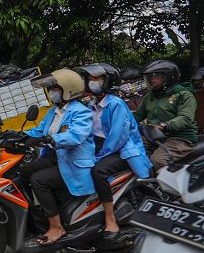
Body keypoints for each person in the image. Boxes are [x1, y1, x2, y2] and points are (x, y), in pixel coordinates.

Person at [19, 68, 95, 246]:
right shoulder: (54, 111)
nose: (51, 92)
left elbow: (76, 136)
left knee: (38, 180)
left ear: (68, 90)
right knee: (23, 171)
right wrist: (18, 135)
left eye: (55, 88)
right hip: (56, 158)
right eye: (51, 88)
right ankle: (34, 217)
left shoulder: (81, 112)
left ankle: (56, 227)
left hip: (73, 163)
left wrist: (51, 138)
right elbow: (39, 131)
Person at [75, 63, 152, 238]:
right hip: (102, 147)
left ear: (108, 81)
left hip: (121, 149)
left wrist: (99, 156)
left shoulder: (115, 104)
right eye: (90, 79)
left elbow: (118, 137)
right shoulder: (92, 104)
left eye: (97, 78)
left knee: (98, 171)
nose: (92, 82)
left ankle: (110, 219)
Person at [134, 60, 198, 170]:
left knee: (157, 160)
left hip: (180, 137)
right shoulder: (150, 96)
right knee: (133, 151)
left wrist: (164, 126)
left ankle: (164, 186)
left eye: (156, 76)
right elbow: (138, 115)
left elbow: (185, 118)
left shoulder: (183, 94)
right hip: (154, 136)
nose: (151, 79)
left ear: (168, 77)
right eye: (149, 77)